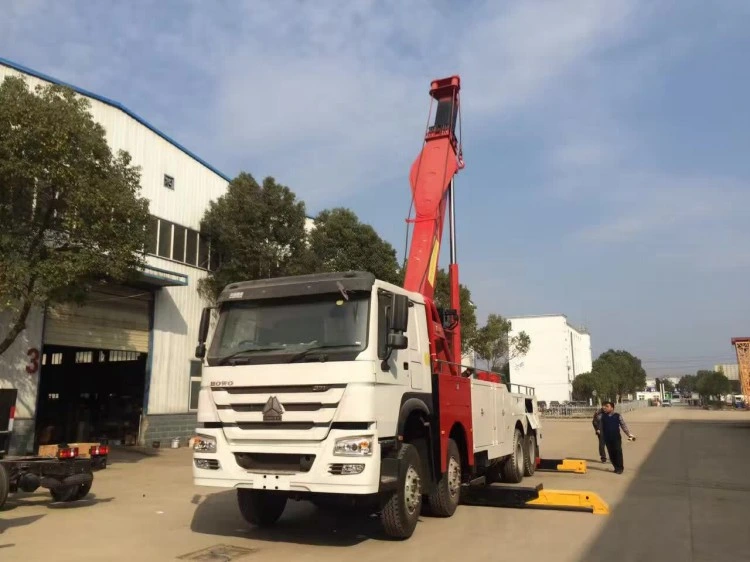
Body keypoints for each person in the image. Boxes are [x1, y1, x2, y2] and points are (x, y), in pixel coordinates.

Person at [598, 401, 636, 474]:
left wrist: (628, 434)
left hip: (616, 438)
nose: (605, 407)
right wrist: (601, 436)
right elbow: (598, 423)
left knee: (618, 452)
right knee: (611, 453)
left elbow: (623, 425)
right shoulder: (602, 416)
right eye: (604, 406)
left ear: (612, 408)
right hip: (607, 438)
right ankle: (616, 467)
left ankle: (620, 468)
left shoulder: (617, 416)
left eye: (607, 406)